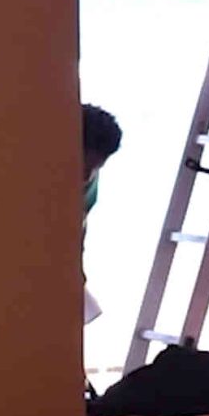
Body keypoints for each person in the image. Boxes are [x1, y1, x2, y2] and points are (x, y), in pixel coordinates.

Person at [80, 102, 123, 327]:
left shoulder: (89, 185)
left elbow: (79, 228)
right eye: (83, 165)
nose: (87, 175)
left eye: (96, 168)